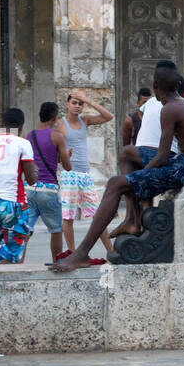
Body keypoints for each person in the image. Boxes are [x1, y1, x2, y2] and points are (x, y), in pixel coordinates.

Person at [49, 64, 184, 272]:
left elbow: (161, 157)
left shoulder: (169, 109)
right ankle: (131, 218)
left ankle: (81, 253)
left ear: (155, 86)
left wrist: (141, 176)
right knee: (127, 158)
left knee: (116, 184)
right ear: (178, 86)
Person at [59, 88, 115, 262]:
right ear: (67, 104)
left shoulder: (85, 120)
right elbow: (54, 148)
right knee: (68, 216)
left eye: (80, 103)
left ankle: (112, 252)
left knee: (97, 215)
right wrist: (63, 159)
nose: (77, 106)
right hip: (69, 174)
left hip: (85, 174)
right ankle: (73, 253)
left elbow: (108, 116)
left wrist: (89, 101)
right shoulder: (60, 124)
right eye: (74, 102)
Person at [0, 108, 38, 264]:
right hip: (13, 201)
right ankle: (6, 286)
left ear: (2, 124)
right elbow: (31, 179)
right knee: (10, 256)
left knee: (6, 249)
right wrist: (35, 170)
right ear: (21, 126)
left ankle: (14, 284)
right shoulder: (23, 144)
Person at [22, 101, 71, 262]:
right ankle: (57, 262)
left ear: (39, 115)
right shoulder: (57, 137)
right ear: (55, 118)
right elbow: (67, 167)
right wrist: (67, 155)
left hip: (29, 188)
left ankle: (18, 262)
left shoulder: (27, 136)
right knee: (56, 230)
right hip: (49, 190)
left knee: (25, 230)